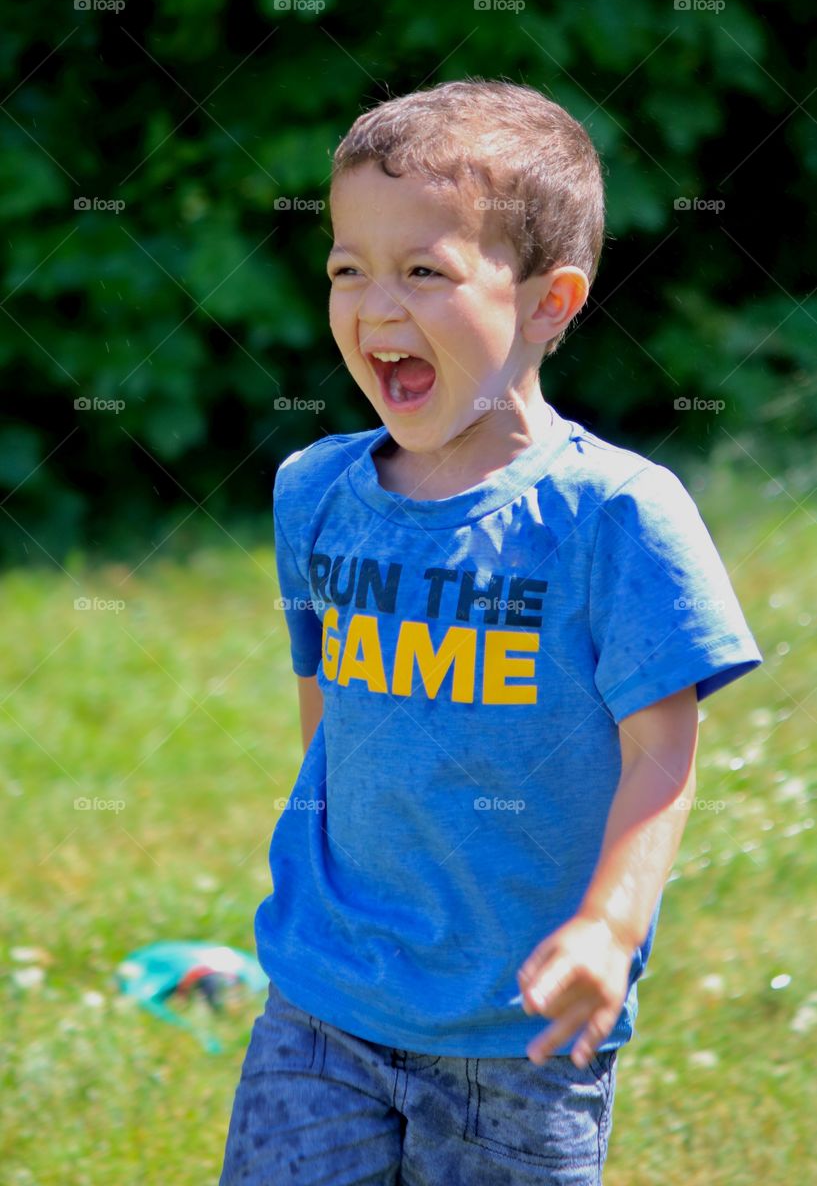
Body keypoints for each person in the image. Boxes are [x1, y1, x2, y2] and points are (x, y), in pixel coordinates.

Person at [219, 78, 763, 1185]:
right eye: (346, 267)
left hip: (519, 1033)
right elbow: (326, 716)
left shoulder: (614, 514)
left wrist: (608, 930)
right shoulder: (312, 492)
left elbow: (662, 753)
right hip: (324, 996)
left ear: (548, 301)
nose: (375, 305)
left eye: (425, 270)